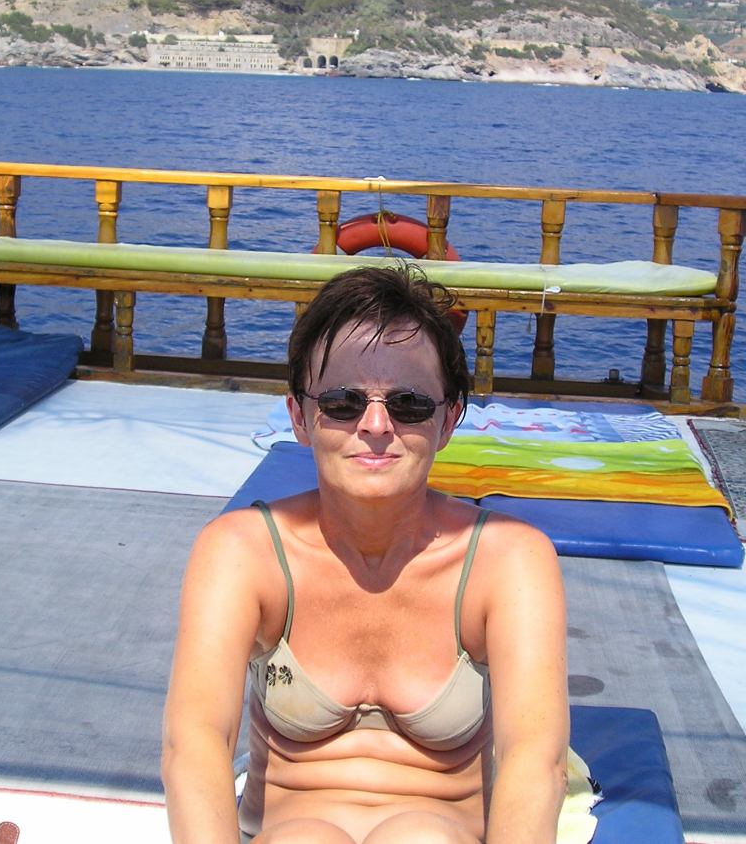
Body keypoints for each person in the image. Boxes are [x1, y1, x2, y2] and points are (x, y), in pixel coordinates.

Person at [162, 264, 572, 843]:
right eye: (342, 402)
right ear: (299, 417)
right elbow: (194, 743)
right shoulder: (242, 552)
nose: (376, 425)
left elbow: (535, 760)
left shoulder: (508, 562)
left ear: (448, 420)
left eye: (408, 404)